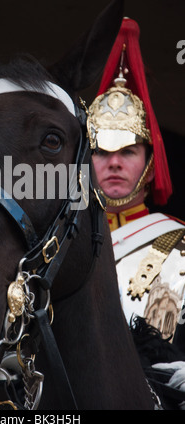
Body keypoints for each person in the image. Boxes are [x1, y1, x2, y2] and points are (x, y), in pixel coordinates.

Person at [89, 18, 185, 342]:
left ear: (151, 163)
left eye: (127, 151)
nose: (113, 162)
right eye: (101, 151)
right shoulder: (52, 245)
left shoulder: (179, 245)